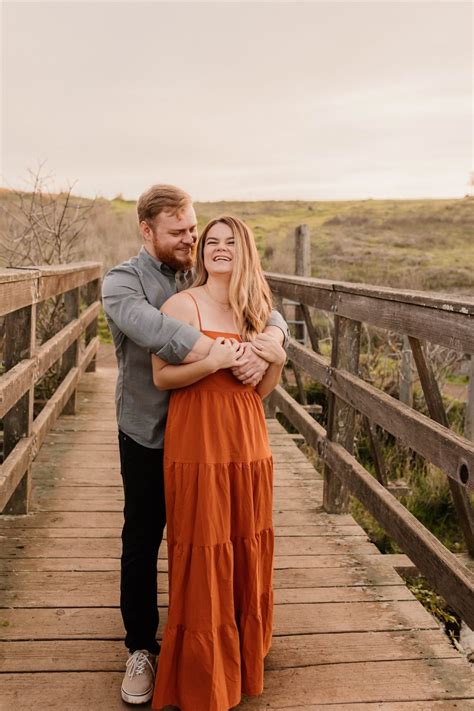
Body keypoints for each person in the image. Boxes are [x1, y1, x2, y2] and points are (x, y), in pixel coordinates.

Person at [101, 185, 288, 705]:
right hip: (150, 432)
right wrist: (227, 352)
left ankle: (235, 635)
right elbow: (156, 329)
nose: (193, 240)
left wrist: (274, 342)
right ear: (147, 231)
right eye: (180, 232)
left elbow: (260, 305)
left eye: (195, 230)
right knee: (144, 538)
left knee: (228, 536)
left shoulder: (201, 269)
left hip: (223, 436)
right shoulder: (122, 283)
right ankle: (141, 647)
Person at [150, 215, 286, 711]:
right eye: (212, 242)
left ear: (244, 250)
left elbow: (264, 390)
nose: (220, 249)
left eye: (230, 242)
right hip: (199, 440)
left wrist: (274, 360)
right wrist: (214, 361)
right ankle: (205, 674)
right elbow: (162, 377)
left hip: (247, 438)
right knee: (204, 541)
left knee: (244, 538)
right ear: (202, 251)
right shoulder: (181, 305)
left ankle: (244, 656)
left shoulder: (255, 309)